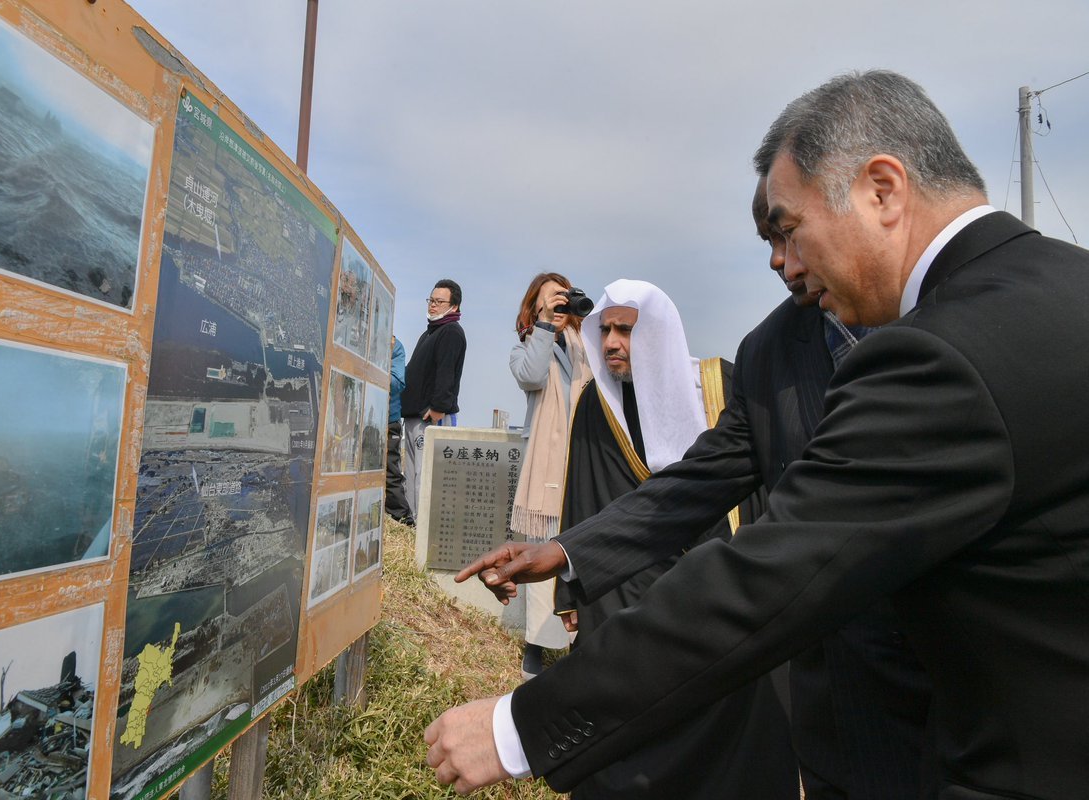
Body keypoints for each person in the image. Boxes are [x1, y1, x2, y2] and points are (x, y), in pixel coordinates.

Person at [425, 70, 1089, 800]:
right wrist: (567, 550)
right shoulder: (1056, 290)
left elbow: (772, 571)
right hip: (852, 726)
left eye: (789, 229)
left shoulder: (942, 352)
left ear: (882, 190)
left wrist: (518, 727)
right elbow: (700, 479)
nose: (783, 262)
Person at [552, 279, 797, 799]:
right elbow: (583, 495)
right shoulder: (596, 404)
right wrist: (569, 592)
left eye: (625, 330)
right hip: (626, 581)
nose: (611, 342)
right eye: (605, 330)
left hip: (717, 577)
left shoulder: (719, 385)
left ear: (658, 333)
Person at [508, 273, 591, 679]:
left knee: (583, 545)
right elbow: (532, 376)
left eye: (563, 298)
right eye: (550, 299)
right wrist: (544, 326)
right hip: (548, 466)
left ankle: (582, 636)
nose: (559, 306)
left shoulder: (585, 345)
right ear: (535, 306)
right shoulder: (524, 347)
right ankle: (536, 643)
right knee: (545, 548)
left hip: (584, 456)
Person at [401, 279, 466, 519]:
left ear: (454, 306)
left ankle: (423, 526)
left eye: (439, 301)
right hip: (413, 415)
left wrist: (438, 407)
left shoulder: (451, 332)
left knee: (425, 474)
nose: (433, 305)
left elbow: (446, 373)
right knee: (411, 474)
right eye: (431, 300)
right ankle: (412, 524)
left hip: (430, 417)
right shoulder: (429, 332)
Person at [385, 335, 413, 525]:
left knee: (390, 472)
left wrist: (379, 359)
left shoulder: (395, 346)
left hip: (388, 420)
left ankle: (403, 519)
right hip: (356, 419)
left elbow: (397, 383)